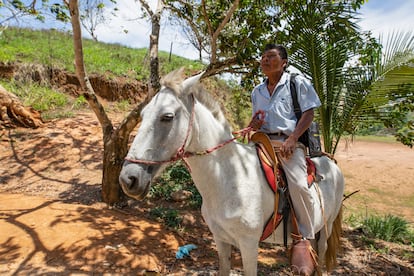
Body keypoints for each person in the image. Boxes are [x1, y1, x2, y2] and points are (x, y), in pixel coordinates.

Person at [250, 43, 321, 272]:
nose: (264, 61)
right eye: (262, 57)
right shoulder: (256, 91)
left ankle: (305, 237)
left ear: (284, 62)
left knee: (299, 185)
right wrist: (254, 125)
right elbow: (255, 121)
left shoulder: (296, 83)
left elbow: (309, 113)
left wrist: (293, 139)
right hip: (262, 142)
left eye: (270, 57)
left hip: (289, 144)